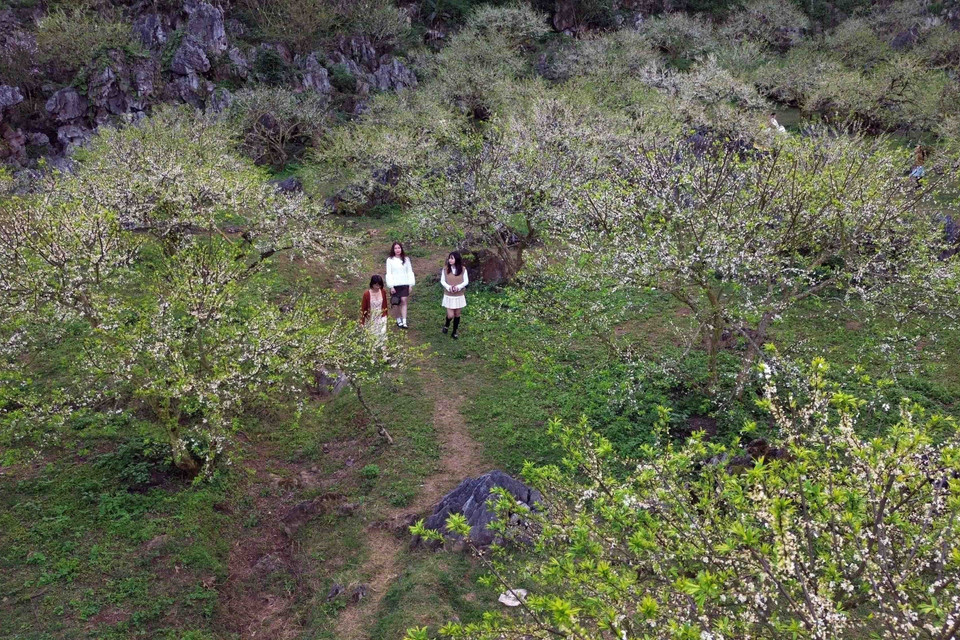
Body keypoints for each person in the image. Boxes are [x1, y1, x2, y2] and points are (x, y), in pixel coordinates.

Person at [385, 241, 415, 329]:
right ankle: (398, 320)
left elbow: (409, 272)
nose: (397, 250)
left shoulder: (406, 259)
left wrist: (410, 284)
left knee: (404, 300)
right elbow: (389, 273)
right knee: (395, 303)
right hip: (395, 284)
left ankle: (404, 321)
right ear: (393, 250)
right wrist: (391, 286)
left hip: (404, 283)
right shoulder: (390, 260)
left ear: (401, 249)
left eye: (399, 248)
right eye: (395, 248)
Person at [440, 251, 468, 339]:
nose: (450, 260)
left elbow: (466, 281)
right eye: (449, 258)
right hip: (449, 295)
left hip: (459, 295)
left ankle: (454, 331)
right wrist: (449, 287)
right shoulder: (445, 269)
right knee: (450, 315)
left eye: (452, 258)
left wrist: (458, 287)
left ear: (457, 259)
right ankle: (446, 324)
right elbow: (442, 281)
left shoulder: (463, 269)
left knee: (457, 314)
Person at [360, 275, 389, 345]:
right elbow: (363, 308)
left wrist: (386, 315)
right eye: (376, 285)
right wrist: (362, 322)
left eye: (379, 285)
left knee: (382, 332)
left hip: (381, 316)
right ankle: (373, 353)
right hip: (371, 317)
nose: (378, 287)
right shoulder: (367, 294)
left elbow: (385, 304)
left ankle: (384, 351)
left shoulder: (383, 291)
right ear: (372, 284)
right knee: (373, 336)